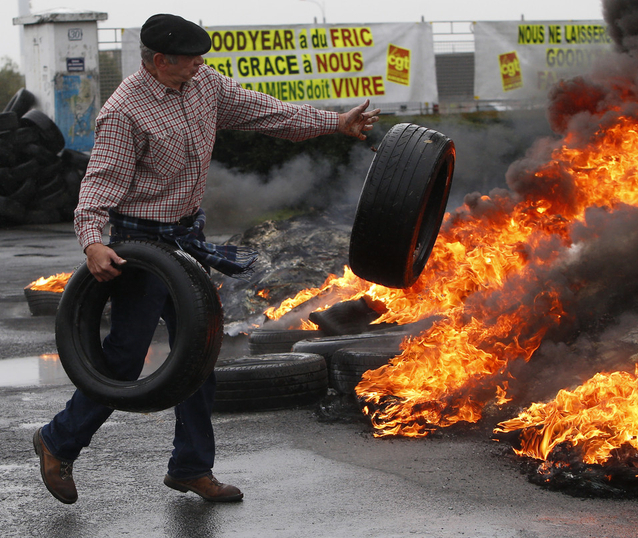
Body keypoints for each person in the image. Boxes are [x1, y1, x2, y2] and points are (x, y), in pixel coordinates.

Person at [33, 13, 380, 504]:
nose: (201, 65)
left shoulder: (204, 84)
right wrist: (92, 240)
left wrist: (336, 122)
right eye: (191, 58)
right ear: (159, 61)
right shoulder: (124, 111)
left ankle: (191, 466)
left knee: (199, 353)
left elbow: (267, 112)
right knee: (126, 358)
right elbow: (99, 184)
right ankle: (58, 440)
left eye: (202, 58)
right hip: (141, 247)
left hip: (187, 239)